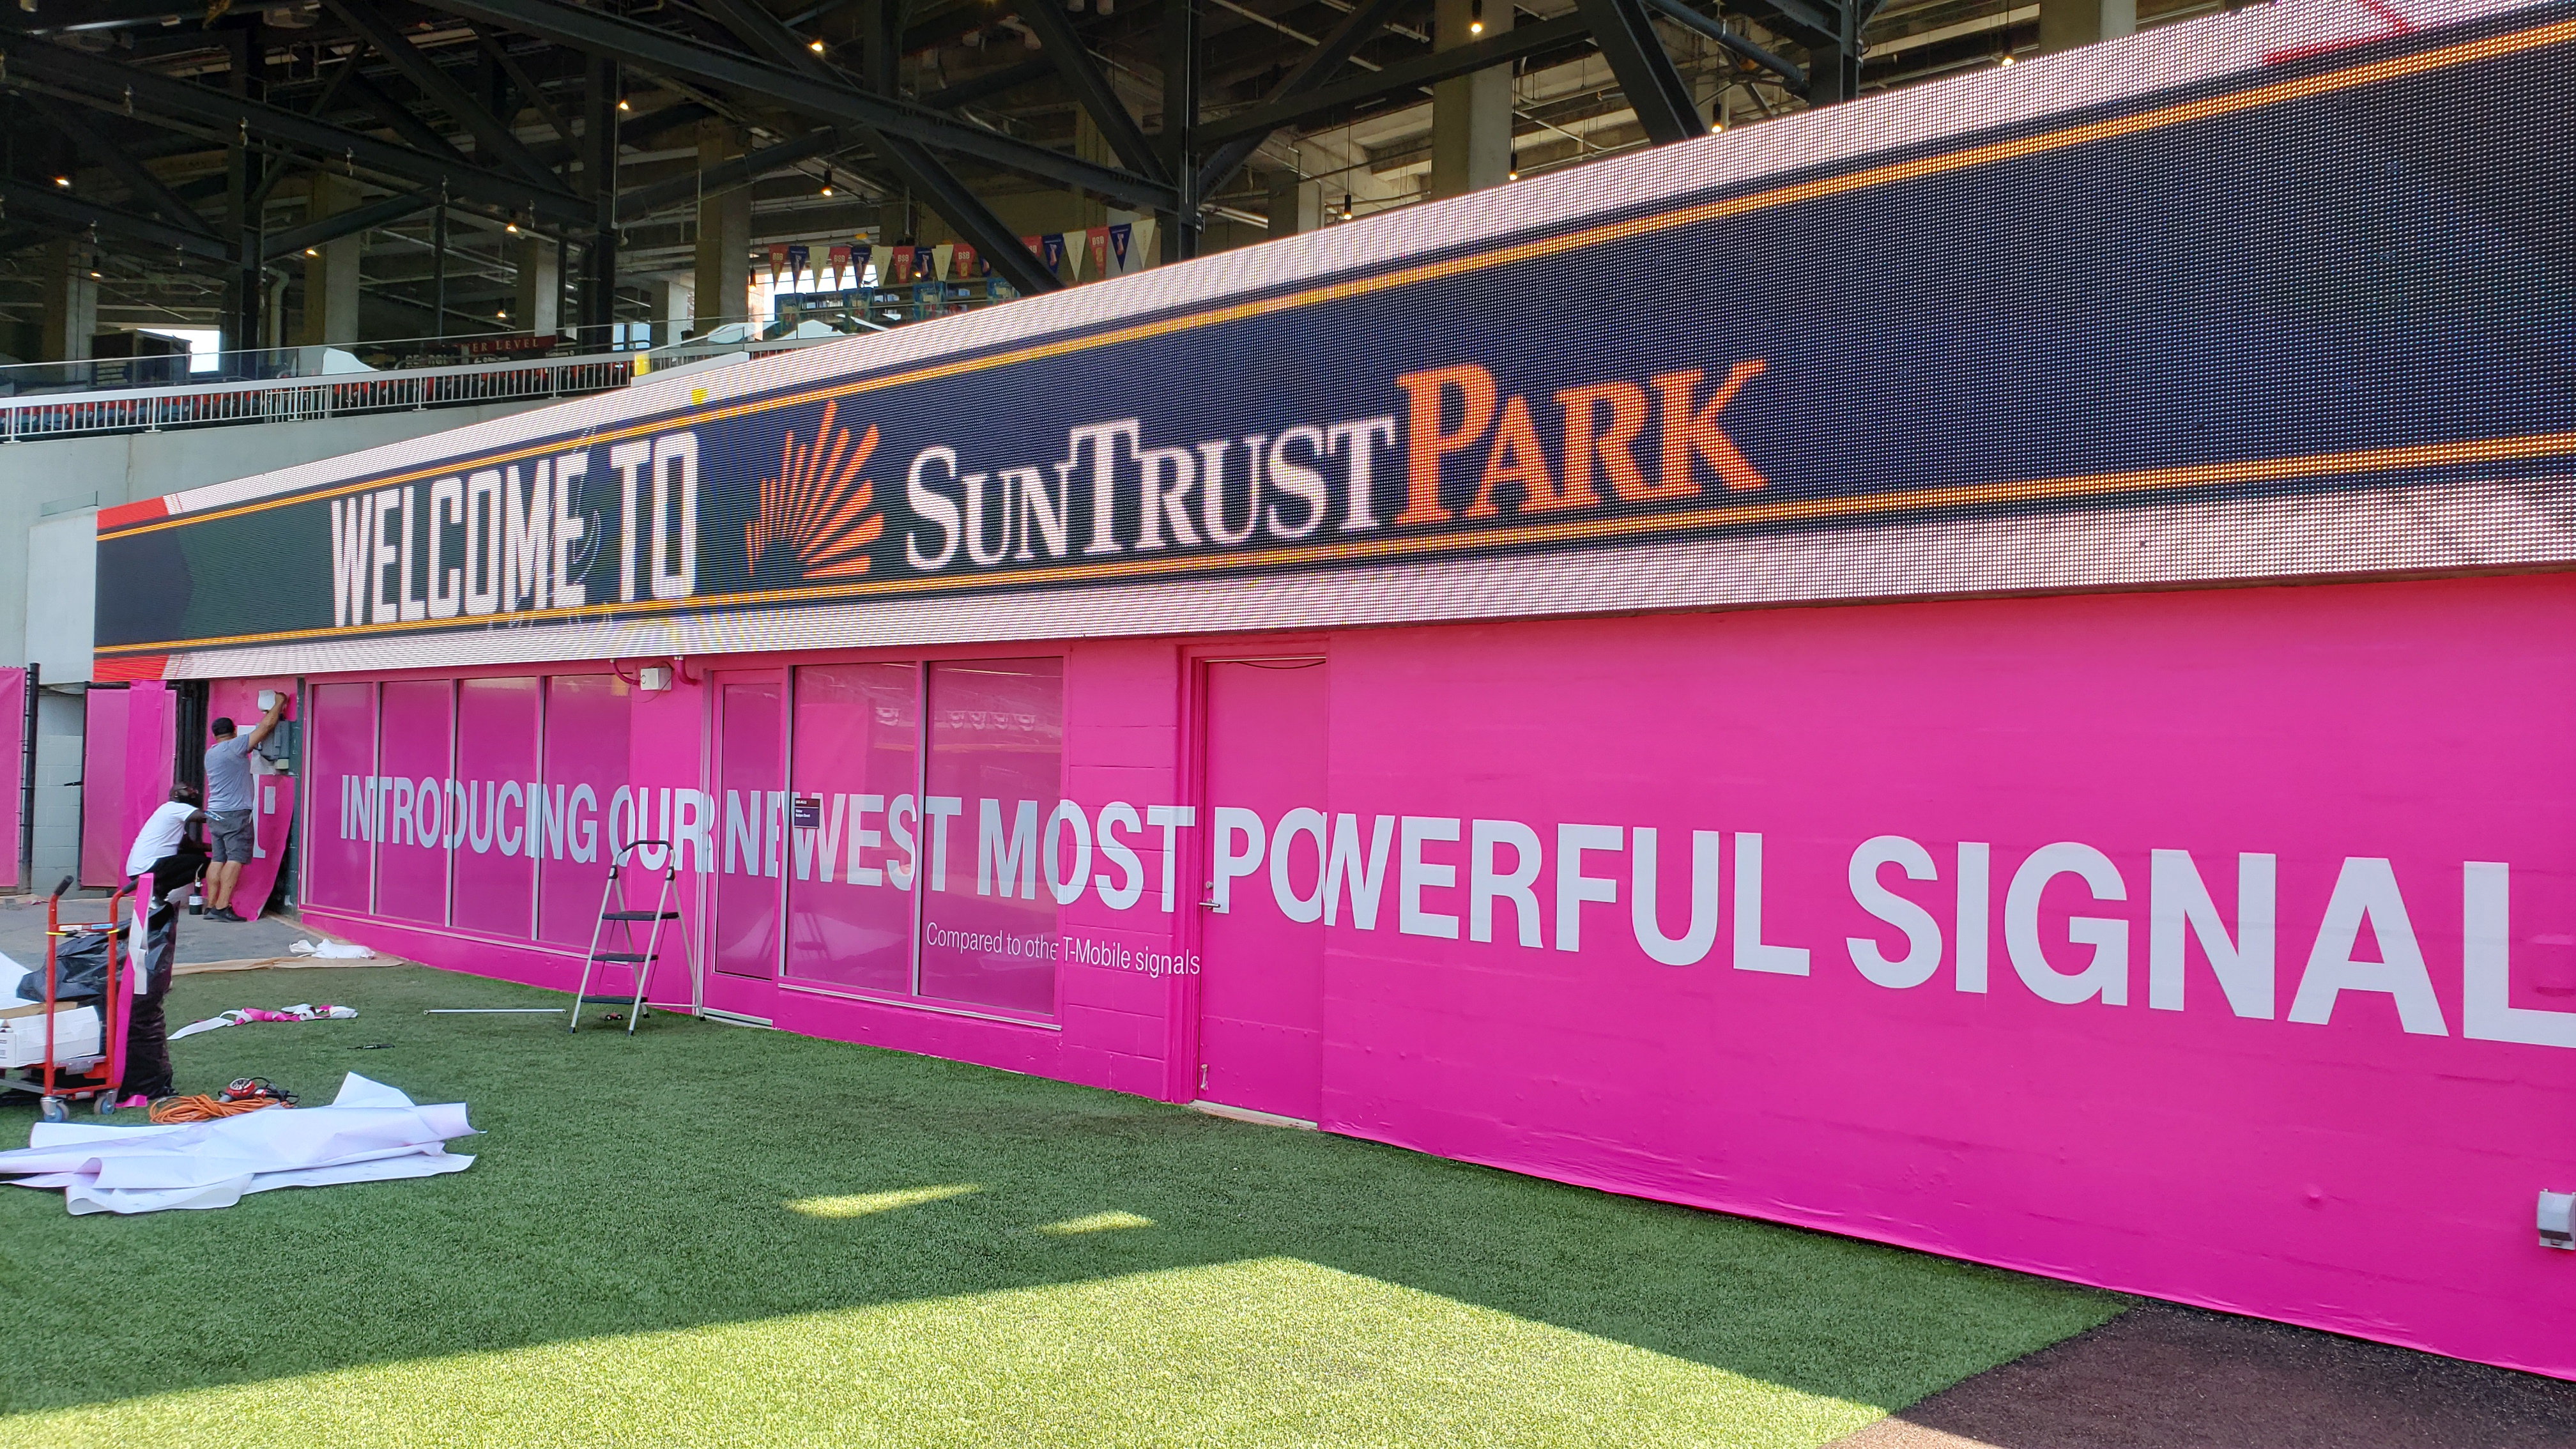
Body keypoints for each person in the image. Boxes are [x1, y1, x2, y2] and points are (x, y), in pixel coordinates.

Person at [119, 783, 210, 1107]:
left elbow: (190, 844)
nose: (193, 792)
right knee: (199, 863)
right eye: (188, 790)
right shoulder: (175, 809)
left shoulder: (169, 815)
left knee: (196, 858)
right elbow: (205, 817)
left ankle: (163, 896)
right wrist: (230, 822)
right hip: (147, 873)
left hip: (142, 870)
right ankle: (163, 894)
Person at [203, 693, 287, 923]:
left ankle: (210, 905)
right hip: (235, 813)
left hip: (215, 813)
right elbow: (267, 726)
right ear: (235, 730)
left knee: (218, 858)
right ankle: (223, 906)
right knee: (236, 858)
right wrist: (280, 702)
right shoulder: (234, 746)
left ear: (214, 735)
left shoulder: (211, 753)